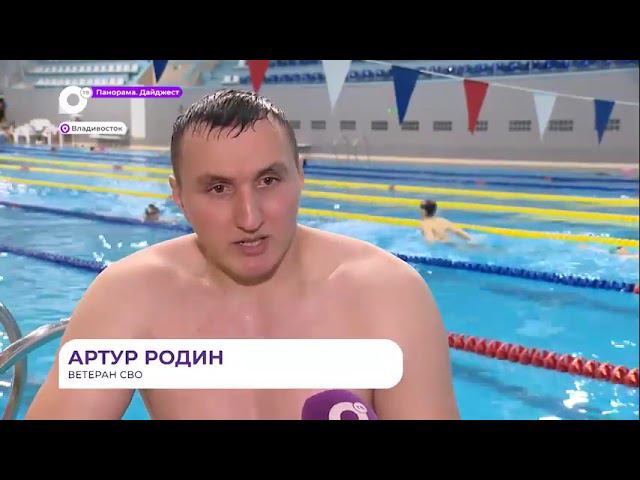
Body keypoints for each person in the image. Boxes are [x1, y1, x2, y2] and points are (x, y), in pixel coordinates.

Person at [26, 90, 459, 420]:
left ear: (300, 176)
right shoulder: (131, 296)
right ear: (178, 196)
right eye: (218, 188)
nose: (250, 217)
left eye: (268, 180)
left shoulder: (388, 294)